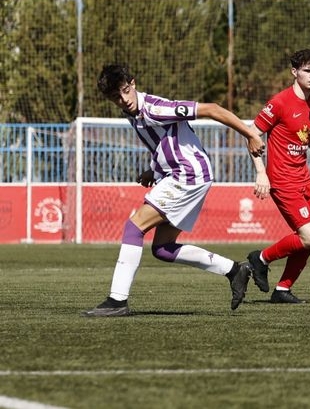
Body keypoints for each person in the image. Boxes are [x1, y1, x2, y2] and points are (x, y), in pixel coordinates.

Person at [83, 64, 265, 317]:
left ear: (133, 84)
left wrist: (249, 135)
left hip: (187, 176)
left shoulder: (155, 108)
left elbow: (211, 109)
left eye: (125, 91)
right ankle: (234, 270)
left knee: (134, 228)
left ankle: (117, 301)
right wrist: (153, 170)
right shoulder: (133, 114)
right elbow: (164, 144)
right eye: (116, 97)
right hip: (184, 176)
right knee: (163, 249)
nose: (124, 100)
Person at [245, 49, 310, 304]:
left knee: (308, 240)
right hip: (282, 179)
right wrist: (261, 173)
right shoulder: (279, 102)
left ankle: (282, 290)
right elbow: (252, 134)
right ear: (294, 72)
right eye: (307, 70)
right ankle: (260, 259)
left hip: (304, 179)